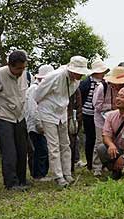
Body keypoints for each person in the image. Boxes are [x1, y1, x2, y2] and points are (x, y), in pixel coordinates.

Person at [35, 56, 90, 188]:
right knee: (53, 146)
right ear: (72, 70)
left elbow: (66, 96)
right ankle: (58, 176)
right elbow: (37, 95)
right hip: (48, 112)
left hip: (62, 113)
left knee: (65, 144)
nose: (80, 75)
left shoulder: (76, 81)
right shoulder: (54, 76)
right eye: (79, 72)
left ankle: (67, 174)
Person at [0, 50, 30, 191]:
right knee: (9, 152)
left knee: (22, 150)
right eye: (18, 68)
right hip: (4, 118)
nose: (21, 71)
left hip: (20, 117)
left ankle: (22, 180)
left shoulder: (24, 74)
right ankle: (11, 183)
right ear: (10, 65)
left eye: (23, 68)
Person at [92, 66, 124, 176]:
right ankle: (97, 167)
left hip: (119, 118)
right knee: (100, 142)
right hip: (101, 118)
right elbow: (96, 105)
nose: (120, 85)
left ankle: (117, 165)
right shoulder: (102, 87)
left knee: (118, 141)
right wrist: (110, 111)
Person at [79, 58, 109, 171]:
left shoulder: (104, 83)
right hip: (88, 114)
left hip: (101, 115)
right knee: (90, 139)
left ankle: (103, 162)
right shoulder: (86, 83)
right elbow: (81, 97)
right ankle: (90, 163)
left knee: (102, 139)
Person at [25, 64, 53, 180]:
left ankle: (42, 173)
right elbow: (33, 109)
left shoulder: (40, 88)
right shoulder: (34, 89)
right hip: (34, 126)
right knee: (39, 150)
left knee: (42, 149)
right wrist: (39, 125)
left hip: (41, 123)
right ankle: (38, 174)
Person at [67, 87, 83, 172]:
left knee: (73, 141)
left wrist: (77, 119)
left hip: (73, 118)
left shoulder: (76, 89)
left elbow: (79, 106)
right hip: (64, 118)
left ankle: (71, 166)